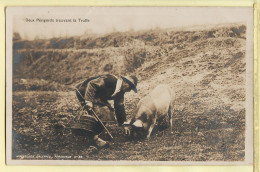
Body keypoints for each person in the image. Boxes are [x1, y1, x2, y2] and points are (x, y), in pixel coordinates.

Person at [72, 74, 138, 148]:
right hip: (84, 91)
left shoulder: (120, 92)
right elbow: (92, 84)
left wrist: (124, 124)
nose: (129, 90)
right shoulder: (110, 80)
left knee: (109, 112)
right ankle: (94, 138)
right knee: (101, 112)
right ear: (125, 82)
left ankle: (94, 131)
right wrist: (88, 101)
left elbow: (119, 107)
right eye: (130, 87)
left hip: (97, 96)